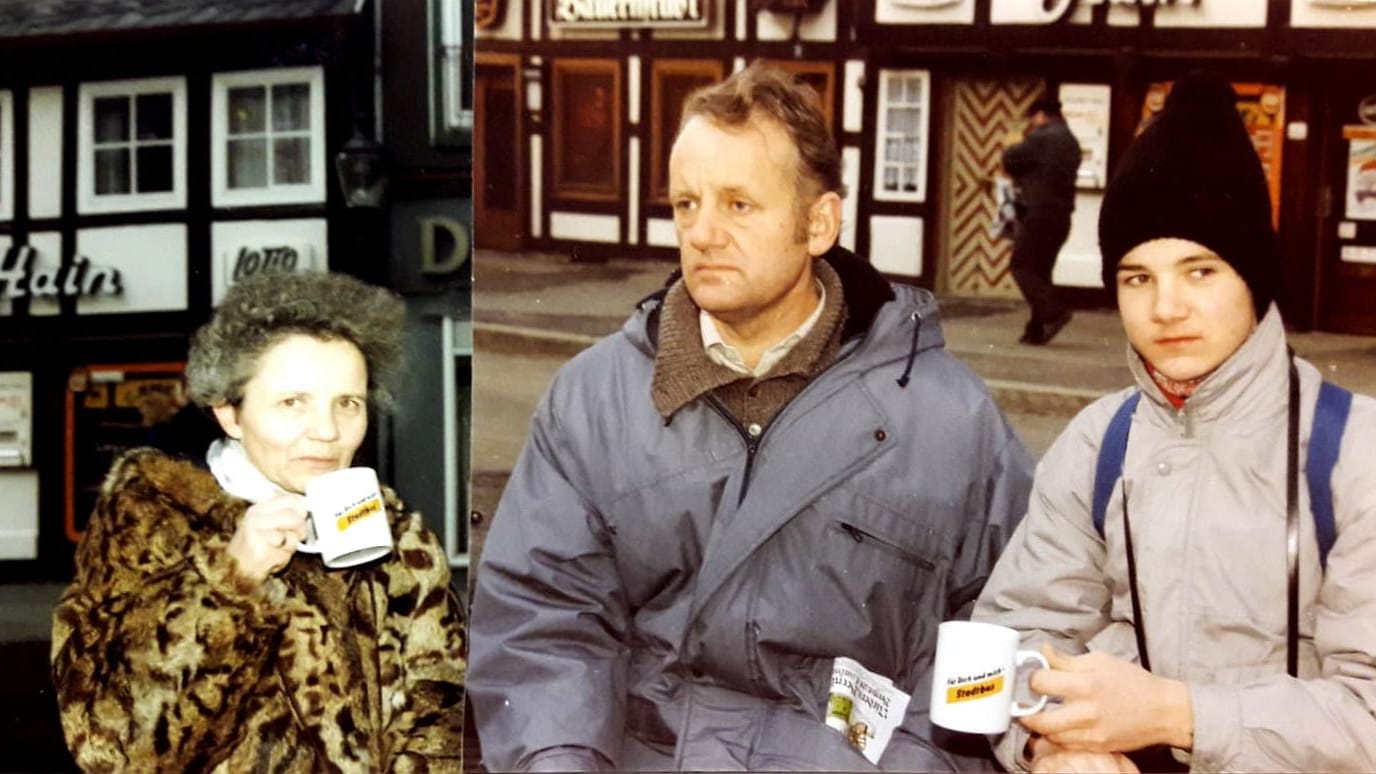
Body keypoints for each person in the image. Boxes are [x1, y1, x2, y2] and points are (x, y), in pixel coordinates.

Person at [467, 63, 1034, 771]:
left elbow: (999, 626)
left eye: (738, 205)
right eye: (685, 204)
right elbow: (542, 624)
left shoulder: (951, 418)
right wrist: (557, 759)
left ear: (819, 223)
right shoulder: (592, 399)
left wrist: (922, 762)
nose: (702, 232)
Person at [972, 71, 1376, 772]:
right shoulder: (1100, 442)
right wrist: (1047, 746)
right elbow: (1012, 641)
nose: (1166, 308)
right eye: (1137, 277)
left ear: (1253, 277)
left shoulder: (1354, 451)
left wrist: (1175, 714)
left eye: (1200, 271)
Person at [51, 271, 467, 772]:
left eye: (347, 404)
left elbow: (441, 716)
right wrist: (229, 582)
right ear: (230, 413)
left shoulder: (398, 534)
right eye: (293, 403)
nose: (327, 432)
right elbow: (114, 750)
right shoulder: (151, 519)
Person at [1001, 96, 1081, 345]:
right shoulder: (1071, 141)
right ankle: (1035, 331)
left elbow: (1010, 158)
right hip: (1062, 216)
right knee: (1041, 270)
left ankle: (1054, 313)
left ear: (1040, 115)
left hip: (1039, 213)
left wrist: (1013, 140)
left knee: (1021, 265)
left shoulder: (1041, 137)